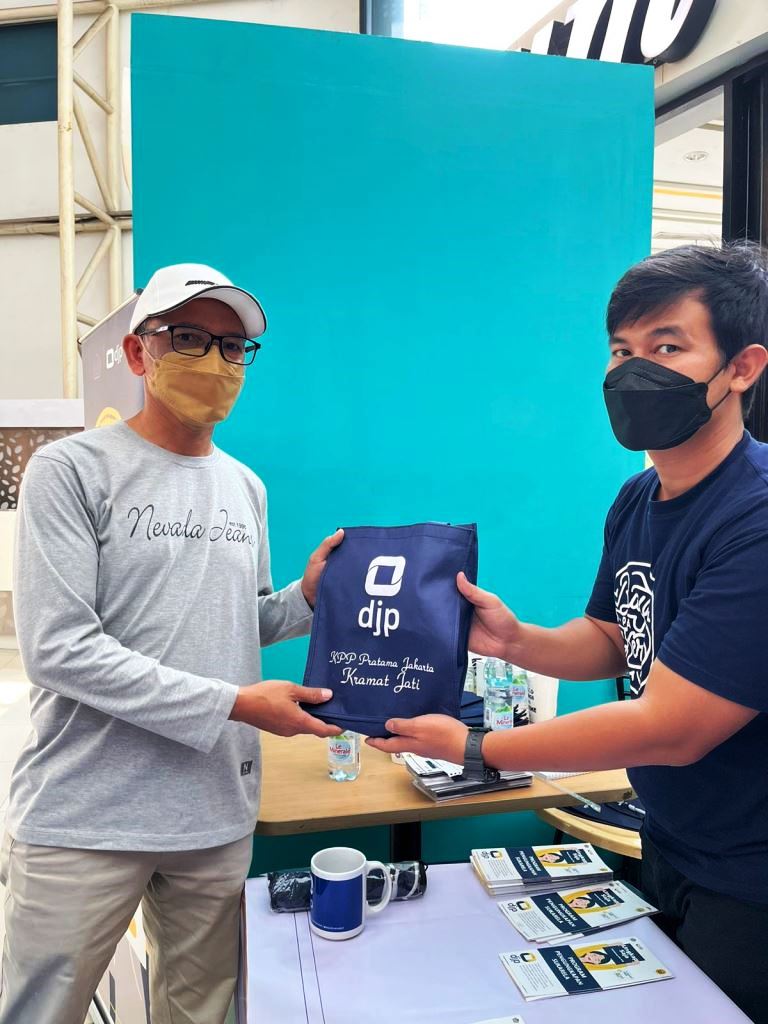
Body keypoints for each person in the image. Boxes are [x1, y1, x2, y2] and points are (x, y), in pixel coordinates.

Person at [369, 243, 768, 1023]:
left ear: (742, 368)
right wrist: (516, 641)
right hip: (673, 840)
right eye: (621, 350)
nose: (632, 371)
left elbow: (674, 727)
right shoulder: (639, 498)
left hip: (751, 876)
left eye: (667, 347)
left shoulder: (754, 519)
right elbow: (613, 636)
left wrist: (477, 748)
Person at [0, 264, 341, 1024]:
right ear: (137, 352)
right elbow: (58, 648)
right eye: (187, 337)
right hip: (86, 814)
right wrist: (234, 704)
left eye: (232, 346)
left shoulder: (244, 486)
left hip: (212, 812)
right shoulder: (71, 471)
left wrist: (306, 600)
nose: (214, 361)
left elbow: (237, 621)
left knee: (200, 1012)